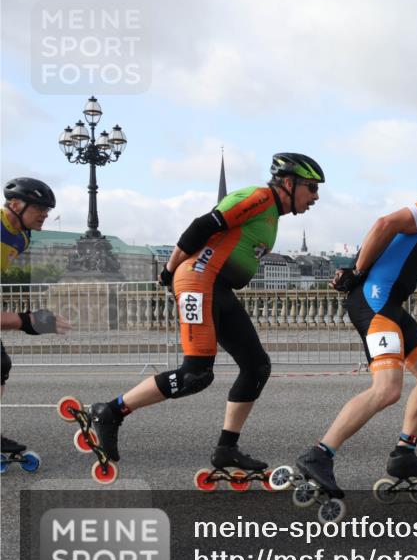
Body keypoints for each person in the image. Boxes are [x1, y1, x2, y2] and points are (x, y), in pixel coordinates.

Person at [87, 153, 325, 476]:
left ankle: (226, 449)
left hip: (219, 288)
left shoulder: (273, 214)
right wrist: (169, 271)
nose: (316, 196)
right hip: (199, 279)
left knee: (257, 367)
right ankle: (111, 411)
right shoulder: (258, 198)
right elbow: (202, 226)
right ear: (288, 182)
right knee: (195, 375)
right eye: (311, 187)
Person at [294, 170, 417, 496]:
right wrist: (357, 271)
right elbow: (384, 224)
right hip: (375, 306)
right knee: (387, 390)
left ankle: (404, 455)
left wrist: (357, 270)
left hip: (391, 308)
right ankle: (318, 455)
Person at [1, 178, 71, 460]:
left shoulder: (23, 237)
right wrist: (26, 321)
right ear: (15, 205)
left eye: (48, 208)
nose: (45, 213)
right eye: (40, 207)